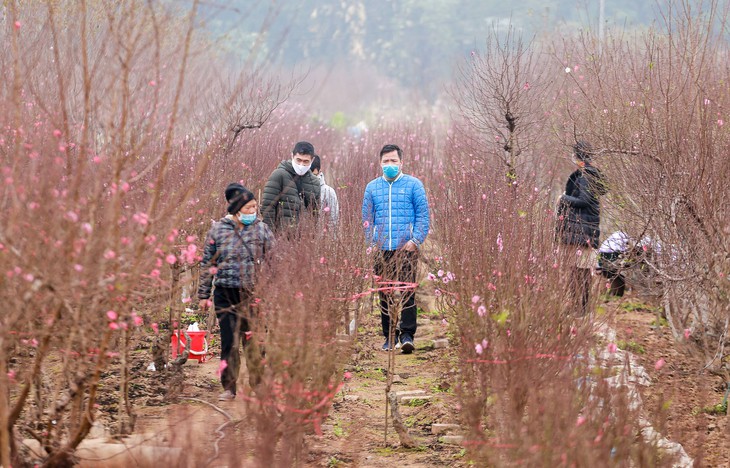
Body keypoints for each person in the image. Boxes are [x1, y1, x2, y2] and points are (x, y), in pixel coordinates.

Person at [198, 183, 275, 401]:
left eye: (255, 207)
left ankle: (258, 383)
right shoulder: (218, 230)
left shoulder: (261, 229)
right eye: (249, 208)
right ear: (236, 209)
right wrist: (204, 295)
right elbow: (207, 264)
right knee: (229, 342)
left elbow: (274, 260)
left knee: (254, 342)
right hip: (225, 292)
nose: (254, 211)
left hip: (253, 293)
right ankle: (229, 387)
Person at [362, 144, 430, 353]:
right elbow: (367, 220)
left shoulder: (413, 185)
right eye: (386, 161)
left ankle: (407, 335)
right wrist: (371, 243)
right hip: (381, 248)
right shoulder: (372, 188)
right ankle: (389, 336)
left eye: (393, 161)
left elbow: (423, 216)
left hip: (406, 248)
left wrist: (416, 240)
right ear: (380, 163)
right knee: (385, 292)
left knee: (408, 290)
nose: (389, 165)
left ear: (401, 162)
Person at [556, 140, 606, 316]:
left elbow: (584, 201)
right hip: (582, 231)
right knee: (577, 272)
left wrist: (563, 199)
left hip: (581, 232)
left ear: (578, 156)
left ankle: (581, 310)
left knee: (580, 273)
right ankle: (578, 307)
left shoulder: (586, 176)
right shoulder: (588, 175)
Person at [261, 141, 321, 235]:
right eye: (298, 160)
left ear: (312, 160)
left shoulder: (315, 183)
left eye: (306, 161)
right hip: (280, 236)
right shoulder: (279, 175)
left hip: (303, 239)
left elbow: (315, 213)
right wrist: (270, 235)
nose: (301, 165)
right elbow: (267, 206)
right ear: (292, 156)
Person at [598, 231, 631, 297]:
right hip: (611, 268)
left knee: (616, 276)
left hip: (605, 267)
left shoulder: (606, 244)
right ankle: (616, 294)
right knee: (618, 276)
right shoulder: (618, 246)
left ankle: (612, 294)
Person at [311, 154, 339, 229]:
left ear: (320, 171)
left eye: (313, 175)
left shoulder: (328, 192)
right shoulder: (296, 187)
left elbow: (333, 220)